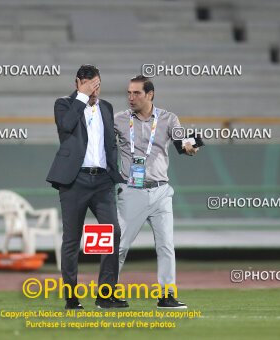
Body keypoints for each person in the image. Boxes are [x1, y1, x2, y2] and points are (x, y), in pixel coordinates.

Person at [46, 65, 128, 309]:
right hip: (75, 181)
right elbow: (66, 126)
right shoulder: (63, 105)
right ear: (78, 83)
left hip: (102, 182)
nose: (95, 90)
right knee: (72, 239)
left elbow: (109, 145)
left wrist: (116, 175)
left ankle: (105, 295)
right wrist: (82, 97)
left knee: (112, 233)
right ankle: (71, 297)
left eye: (98, 85)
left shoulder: (106, 107)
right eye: (90, 85)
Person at [115, 75, 199, 309]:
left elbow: (183, 144)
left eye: (136, 93)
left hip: (161, 191)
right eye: (129, 93)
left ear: (150, 94)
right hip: (131, 190)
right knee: (119, 245)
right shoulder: (118, 120)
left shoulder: (169, 119)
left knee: (165, 245)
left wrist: (190, 147)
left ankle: (166, 295)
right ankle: (108, 292)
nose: (131, 97)